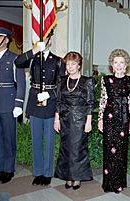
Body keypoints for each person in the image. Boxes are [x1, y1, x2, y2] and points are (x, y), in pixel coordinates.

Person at [14, 30, 65, 186]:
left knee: (49, 140)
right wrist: (34, 50)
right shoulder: (32, 59)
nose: (43, 41)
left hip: (49, 103)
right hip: (35, 102)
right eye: (39, 39)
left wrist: (51, 95)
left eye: (46, 39)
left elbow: (61, 85)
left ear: (50, 41)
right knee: (36, 139)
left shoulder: (58, 61)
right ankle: (38, 172)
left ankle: (47, 173)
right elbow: (17, 62)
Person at [0, 26, 26, 184]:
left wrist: (18, 103)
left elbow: (21, 84)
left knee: (8, 138)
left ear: (7, 39)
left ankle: (9, 170)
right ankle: (0, 169)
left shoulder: (15, 58)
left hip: (9, 103)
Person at [54, 51, 94, 190]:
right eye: (68, 64)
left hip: (80, 119)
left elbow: (90, 103)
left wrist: (89, 121)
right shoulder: (61, 80)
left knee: (77, 149)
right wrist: (56, 119)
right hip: (65, 119)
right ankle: (68, 176)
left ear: (79, 65)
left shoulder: (86, 81)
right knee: (66, 149)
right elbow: (58, 101)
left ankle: (77, 177)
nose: (70, 67)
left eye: (73, 64)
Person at [98, 49, 130, 193]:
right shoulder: (106, 80)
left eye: (122, 62)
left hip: (124, 119)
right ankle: (108, 183)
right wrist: (100, 119)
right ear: (112, 65)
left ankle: (119, 183)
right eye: (116, 62)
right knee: (108, 151)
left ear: (126, 65)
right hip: (109, 119)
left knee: (121, 152)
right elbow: (103, 100)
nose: (119, 65)